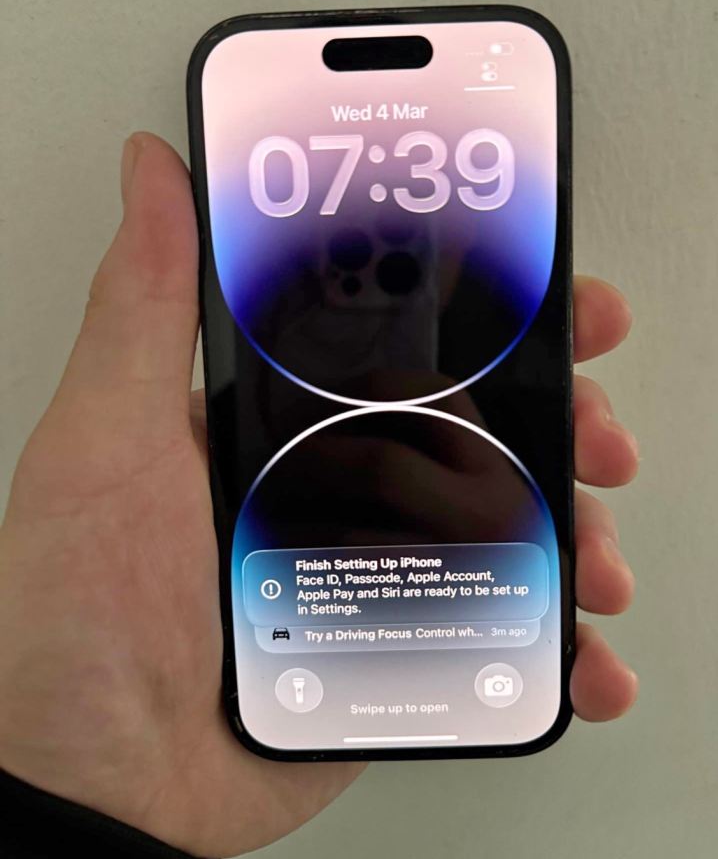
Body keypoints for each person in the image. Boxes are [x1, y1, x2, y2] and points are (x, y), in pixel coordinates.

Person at [0, 134, 639, 859]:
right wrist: (95, 797)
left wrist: (481, 593)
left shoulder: (510, 428)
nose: (358, 269)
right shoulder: (184, 465)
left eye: (408, 236)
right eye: (319, 224)